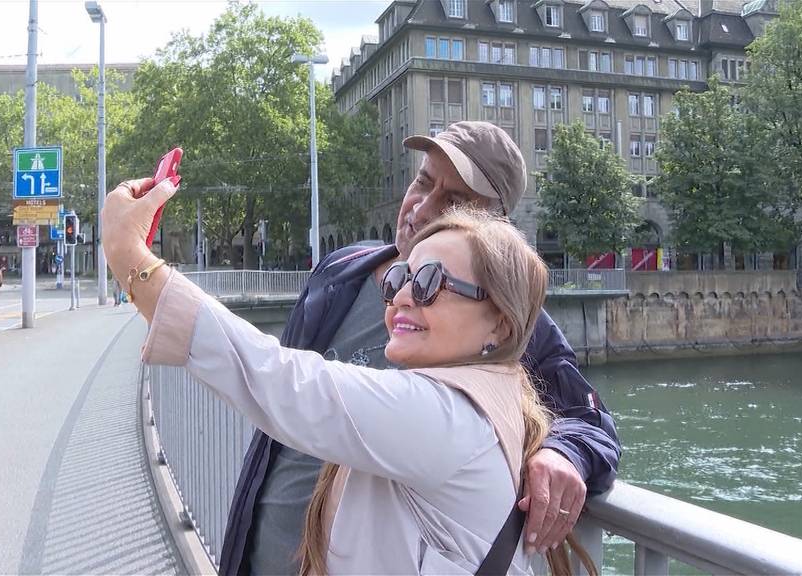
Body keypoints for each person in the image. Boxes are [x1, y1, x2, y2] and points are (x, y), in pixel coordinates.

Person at [102, 178, 594, 573]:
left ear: (500, 323)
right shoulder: (497, 396)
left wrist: (129, 256)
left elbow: (279, 379)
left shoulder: (444, 415)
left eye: (428, 283)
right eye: (401, 277)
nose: (401, 295)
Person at [216, 121, 621, 575]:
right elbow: (282, 391)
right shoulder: (342, 271)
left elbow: (591, 420)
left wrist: (561, 453)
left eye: (454, 201)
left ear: (493, 226)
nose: (422, 208)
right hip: (254, 555)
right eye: (423, 182)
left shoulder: (506, 319)